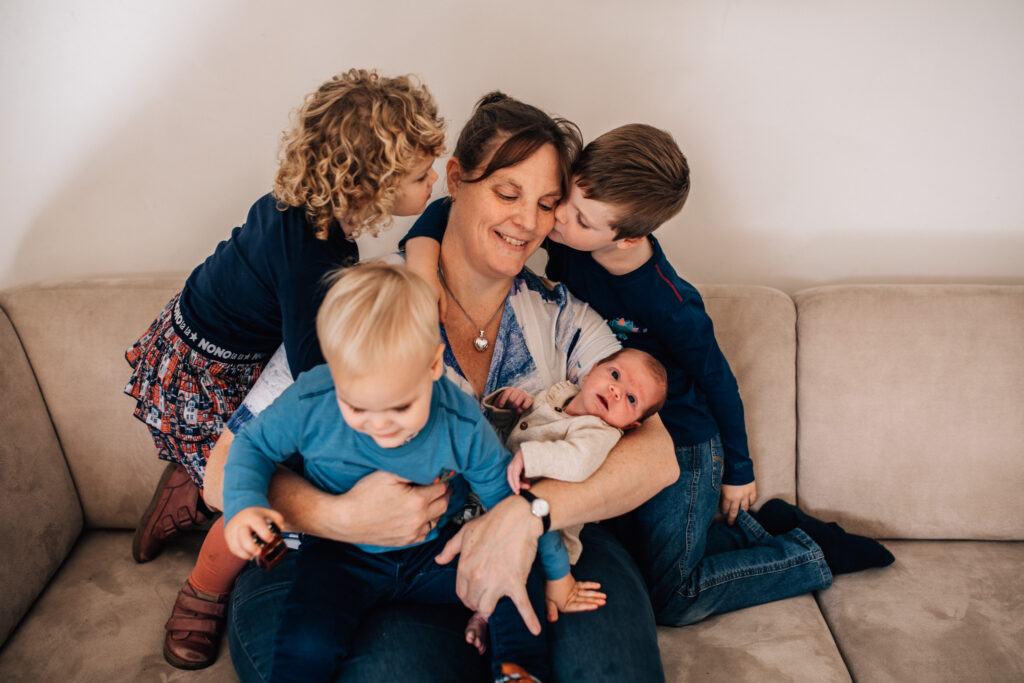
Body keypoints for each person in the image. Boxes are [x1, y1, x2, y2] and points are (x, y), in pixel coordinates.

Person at [202, 92, 679, 682]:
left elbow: (658, 456)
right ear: (455, 179)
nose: (527, 222)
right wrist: (343, 518)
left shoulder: (564, 317)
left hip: (527, 541)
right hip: (336, 559)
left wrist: (528, 515)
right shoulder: (366, 304)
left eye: (547, 204)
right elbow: (222, 471)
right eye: (507, 193)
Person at [407, 122, 894, 628]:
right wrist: (422, 265)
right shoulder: (575, 238)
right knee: (635, 552)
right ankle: (759, 528)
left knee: (671, 593)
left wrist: (739, 472)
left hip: (684, 440)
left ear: (626, 237)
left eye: (574, 216)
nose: (549, 222)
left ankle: (808, 553)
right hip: (613, 423)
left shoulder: (670, 302)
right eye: (563, 201)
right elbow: (453, 208)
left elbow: (719, 383)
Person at [123, 68, 445, 669]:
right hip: (205, 370)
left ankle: (184, 487)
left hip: (212, 340)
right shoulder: (315, 259)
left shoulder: (307, 207)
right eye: (422, 176)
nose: (433, 182)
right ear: (372, 183)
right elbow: (316, 375)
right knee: (246, 481)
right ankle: (203, 586)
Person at [223, 263, 584, 682]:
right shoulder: (312, 399)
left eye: (400, 407)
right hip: (341, 555)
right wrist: (243, 505)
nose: (380, 426)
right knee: (306, 641)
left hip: (435, 552)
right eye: (357, 407)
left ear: (433, 366)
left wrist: (558, 575)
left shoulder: (459, 420)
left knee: (513, 574)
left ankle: (519, 673)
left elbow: (511, 505)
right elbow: (252, 446)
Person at [463, 346, 668, 654]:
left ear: (630, 426)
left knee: (516, 573)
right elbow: (519, 430)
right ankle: (479, 609)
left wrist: (530, 457)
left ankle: (486, 620)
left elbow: (576, 461)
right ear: (593, 369)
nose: (615, 391)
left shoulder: (600, 432)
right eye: (614, 375)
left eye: (630, 399)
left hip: (547, 534)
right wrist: (509, 409)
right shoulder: (559, 394)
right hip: (495, 501)